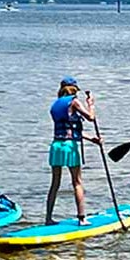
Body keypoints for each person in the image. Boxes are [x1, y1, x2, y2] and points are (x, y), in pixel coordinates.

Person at [45, 76, 100, 225]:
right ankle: (82, 218)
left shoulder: (55, 104)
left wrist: (92, 139)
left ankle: (48, 218)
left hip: (56, 145)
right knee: (77, 182)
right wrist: (91, 105)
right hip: (70, 147)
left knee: (55, 183)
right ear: (74, 89)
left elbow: (70, 130)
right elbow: (91, 117)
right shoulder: (74, 101)